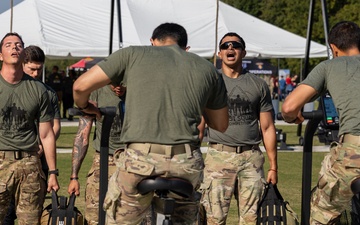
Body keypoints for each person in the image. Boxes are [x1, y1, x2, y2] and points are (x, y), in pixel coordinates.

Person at [71, 22, 229, 224]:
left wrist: (86, 107)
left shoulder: (131, 55)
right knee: (186, 215)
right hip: (186, 163)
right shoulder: (206, 68)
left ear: (153, 42)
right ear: (184, 47)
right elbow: (221, 124)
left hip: (141, 160)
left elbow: (79, 87)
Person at [281, 21, 360, 225]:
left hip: (354, 152)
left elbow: (289, 107)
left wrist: (293, 116)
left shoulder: (329, 66)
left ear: (333, 48)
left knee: (322, 210)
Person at [200, 32, 278, 225]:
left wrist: (273, 166)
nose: (230, 48)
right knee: (214, 220)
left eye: (235, 45)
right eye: (225, 46)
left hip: (250, 159)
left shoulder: (258, 85)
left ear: (243, 52)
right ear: (219, 53)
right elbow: (200, 123)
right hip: (218, 157)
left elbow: (267, 127)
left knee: (251, 221)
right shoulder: (209, 83)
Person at [0, 33, 59, 224]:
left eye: (18, 45)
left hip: (30, 163)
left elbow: (47, 133)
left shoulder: (39, 90)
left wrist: (52, 173)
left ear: (23, 52)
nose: (14, 48)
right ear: (1, 54)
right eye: (8, 45)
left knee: (31, 221)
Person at [67, 83, 126, 225]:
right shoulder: (97, 92)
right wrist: (74, 176)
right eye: (114, 83)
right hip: (104, 159)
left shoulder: (139, 89)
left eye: (122, 82)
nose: (117, 86)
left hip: (133, 160)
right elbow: (83, 135)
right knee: (94, 217)